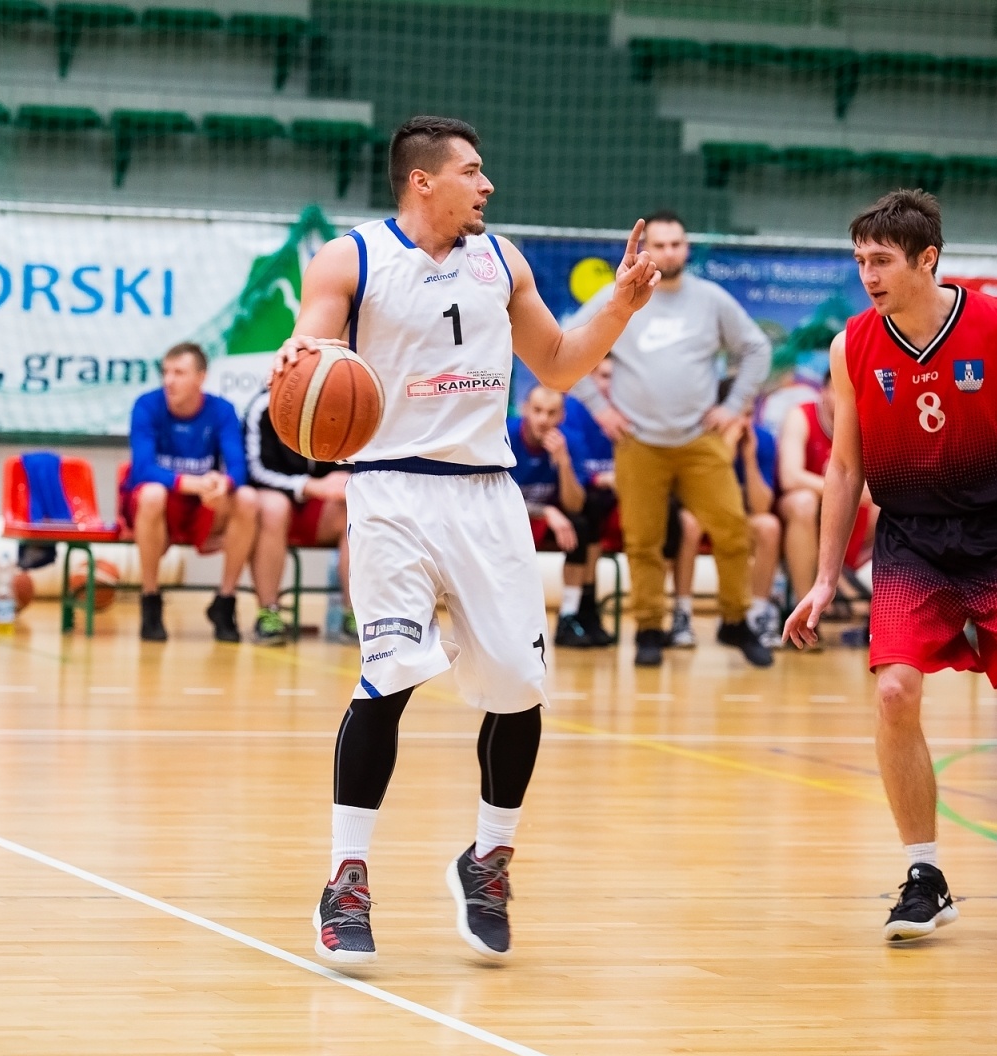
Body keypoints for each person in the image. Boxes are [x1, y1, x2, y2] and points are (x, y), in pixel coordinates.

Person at [275, 115, 658, 966]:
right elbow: (314, 347)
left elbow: (559, 363)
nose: (487, 185)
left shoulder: (503, 260)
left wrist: (622, 304)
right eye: (472, 171)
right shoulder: (349, 259)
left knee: (520, 688)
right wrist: (300, 354)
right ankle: (345, 878)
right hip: (393, 493)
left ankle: (488, 860)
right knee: (389, 677)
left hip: (488, 494)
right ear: (423, 181)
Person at [783, 189, 997, 943]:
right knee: (894, 693)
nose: (868, 275)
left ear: (927, 260)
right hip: (912, 539)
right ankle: (924, 876)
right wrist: (824, 578)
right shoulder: (851, 345)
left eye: (881, 260)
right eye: (860, 260)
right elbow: (844, 467)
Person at [570, 210, 775, 668]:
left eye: (676, 243)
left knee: (733, 530)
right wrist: (600, 409)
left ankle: (735, 620)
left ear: (687, 247)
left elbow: (756, 347)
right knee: (643, 541)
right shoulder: (619, 296)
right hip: (638, 441)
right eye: (659, 245)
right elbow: (570, 343)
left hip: (700, 438)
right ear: (645, 251)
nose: (669, 252)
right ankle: (649, 629)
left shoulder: (711, 299)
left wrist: (734, 404)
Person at [122, 342, 259, 643]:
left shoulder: (222, 410)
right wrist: (191, 483)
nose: (169, 380)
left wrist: (224, 484)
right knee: (152, 494)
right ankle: (150, 598)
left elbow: (239, 467)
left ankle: (225, 600)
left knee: (247, 499)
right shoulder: (146, 405)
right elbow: (142, 468)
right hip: (161, 505)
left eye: (179, 373)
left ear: (201, 377)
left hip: (202, 505)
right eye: (166, 372)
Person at [569, 357, 700, 648]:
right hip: (596, 497)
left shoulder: (641, 413)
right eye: (605, 376)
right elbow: (576, 467)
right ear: (591, 378)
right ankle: (586, 608)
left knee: (673, 517)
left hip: (635, 496)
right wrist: (607, 478)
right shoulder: (574, 411)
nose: (611, 385)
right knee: (588, 511)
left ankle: (674, 614)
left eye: (618, 378)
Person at [241, 387, 353, 645]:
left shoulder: (342, 399)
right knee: (273, 507)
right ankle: (268, 612)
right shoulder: (264, 405)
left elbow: (354, 460)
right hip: (278, 504)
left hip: (322, 510)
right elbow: (255, 470)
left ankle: (355, 614)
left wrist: (346, 477)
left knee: (353, 506)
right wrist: (307, 485)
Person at [509, 386, 609, 647]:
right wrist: (545, 511)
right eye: (537, 411)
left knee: (581, 525)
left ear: (562, 416)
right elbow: (494, 501)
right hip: (511, 519)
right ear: (525, 410)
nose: (543, 419)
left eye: (551, 413)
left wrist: (563, 463)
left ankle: (569, 616)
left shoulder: (569, 442)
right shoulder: (505, 437)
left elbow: (574, 504)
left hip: (550, 521)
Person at [777, 371, 879, 621]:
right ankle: (805, 611)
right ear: (823, 393)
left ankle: (886, 607)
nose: (845, 398)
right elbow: (790, 477)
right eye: (837, 391)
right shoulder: (800, 415)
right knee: (804, 502)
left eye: (852, 393)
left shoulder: (867, 421)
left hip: (849, 513)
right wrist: (842, 490)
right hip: (801, 512)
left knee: (890, 506)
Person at [680, 412, 784, 647]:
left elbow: (761, 506)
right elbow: (696, 499)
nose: (743, 422)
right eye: (737, 414)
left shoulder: (762, 439)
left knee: (769, 527)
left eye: (749, 414)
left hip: (741, 518)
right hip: (702, 516)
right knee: (688, 524)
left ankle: (755, 615)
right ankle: (682, 615)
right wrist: (724, 453)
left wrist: (749, 459)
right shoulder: (698, 437)